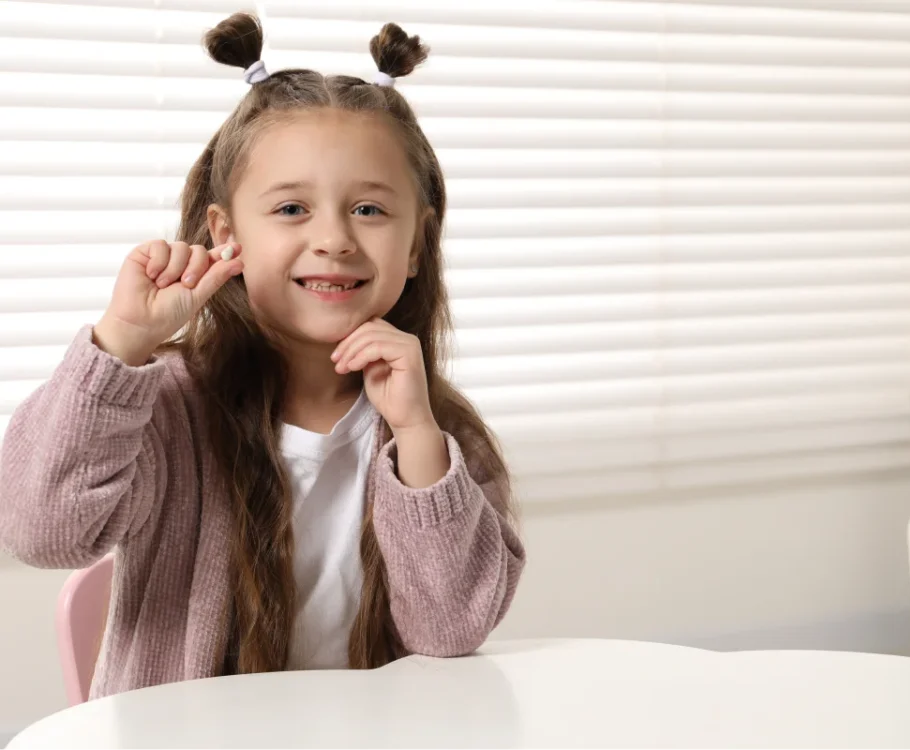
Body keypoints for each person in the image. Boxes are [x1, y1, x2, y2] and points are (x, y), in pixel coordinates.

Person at [0, 11, 525, 699]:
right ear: (226, 233)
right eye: (291, 210)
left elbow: (452, 630)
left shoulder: (439, 431)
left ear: (418, 245)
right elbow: (44, 534)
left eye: (369, 209)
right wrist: (121, 345)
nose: (334, 238)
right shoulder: (165, 407)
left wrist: (418, 436)